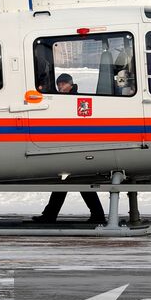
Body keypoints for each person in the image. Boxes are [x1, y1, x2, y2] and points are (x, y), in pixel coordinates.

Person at [34, 74, 108, 223]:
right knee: (71, 181)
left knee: (74, 181)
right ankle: (95, 215)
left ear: (71, 84)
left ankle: (51, 215)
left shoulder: (73, 99)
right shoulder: (64, 98)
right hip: (72, 145)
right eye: (59, 84)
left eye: (63, 84)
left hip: (76, 146)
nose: (61, 86)